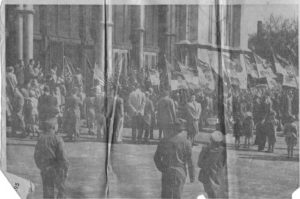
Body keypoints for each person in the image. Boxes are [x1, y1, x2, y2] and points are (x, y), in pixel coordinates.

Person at [154, 119, 195, 199]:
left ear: (172, 128)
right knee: (177, 196)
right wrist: (192, 176)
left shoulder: (164, 140)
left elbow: (156, 158)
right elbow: (190, 162)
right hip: (180, 172)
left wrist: (162, 168)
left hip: (167, 171)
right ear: (182, 130)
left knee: (166, 196)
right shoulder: (186, 142)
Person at [34, 118, 69, 199]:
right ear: (53, 127)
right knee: (62, 191)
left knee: (47, 193)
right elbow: (63, 157)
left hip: (46, 169)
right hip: (58, 169)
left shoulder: (40, 139)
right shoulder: (58, 139)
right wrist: (65, 169)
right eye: (57, 125)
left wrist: (42, 167)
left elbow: (36, 156)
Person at [198, 131, 227, 199]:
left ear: (211, 139)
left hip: (207, 176)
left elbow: (199, 164)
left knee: (211, 195)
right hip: (218, 176)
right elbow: (223, 164)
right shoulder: (223, 151)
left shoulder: (205, 149)